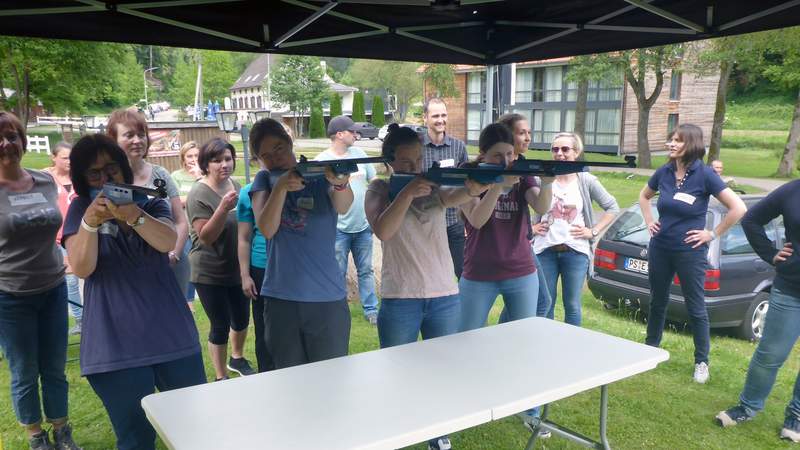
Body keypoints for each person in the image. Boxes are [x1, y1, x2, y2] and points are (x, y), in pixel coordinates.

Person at [64, 133, 204, 450]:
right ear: (82, 179)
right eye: (94, 173)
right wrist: (89, 223)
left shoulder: (150, 202)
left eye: (111, 169)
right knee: (135, 439)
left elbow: (168, 242)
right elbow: (82, 266)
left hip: (173, 338)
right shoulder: (80, 210)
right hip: (115, 348)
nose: (104, 178)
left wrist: (133, 215)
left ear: (123, 170)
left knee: (195, 429)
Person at [365, 123, 489, 450]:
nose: (415, 167)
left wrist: (476, 187)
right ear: (390, 162)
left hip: (444, 294)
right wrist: (406, 192)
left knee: (441, 372)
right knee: (396, 371)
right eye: (406, 162)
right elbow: (384, 230)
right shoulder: (379, 189)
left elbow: (456, 196)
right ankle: (398, 429)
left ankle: (437, 431)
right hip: (400, 295)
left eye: (418, 160)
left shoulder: (434, 186)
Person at [640, 123, 746, 384]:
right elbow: (644, 196)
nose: (671, 144)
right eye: (671, 140)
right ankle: (650, 349)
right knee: (658, 301)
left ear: (692, 144)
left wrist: (711, 233)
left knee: (696, 306)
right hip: (661, 247)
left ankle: (701, 362)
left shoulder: (705, 174)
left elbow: (738, 207)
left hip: (690, 251)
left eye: (677, 140)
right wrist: (648, 220)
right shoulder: (664, 172)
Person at [0, 111, 82, 450]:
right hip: (10, 296)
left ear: (22, 139)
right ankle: (37, 437)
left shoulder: (46, 181)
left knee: (54, 367)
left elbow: (57, 228)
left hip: (52, 288)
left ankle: (62, 431)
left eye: (12, 135)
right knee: (24, 370)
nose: (6, 143)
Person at [250, 118, 353, 369]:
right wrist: (282, 187)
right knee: (288, 381)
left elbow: (344, 205)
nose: (275, 158)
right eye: (266, 155)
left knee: (331, 379)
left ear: (289, 143)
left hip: (326, 295)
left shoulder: (319, 174)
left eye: (278, 149)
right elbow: (266, 227)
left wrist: (340, 182)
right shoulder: (264, 181)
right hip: (281, 297)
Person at [715, 179, 800, 442]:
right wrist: (770, 253)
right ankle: (748, 407)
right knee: (770, 354)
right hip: (790, 289)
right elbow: (752, 220)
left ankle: (796, 416)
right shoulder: (793, 190)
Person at [458, 123, 551, 331]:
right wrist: (499, 185)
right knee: (466, 338)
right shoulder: (469, 173)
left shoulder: (520, 171)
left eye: (509, 154)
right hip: (479, 271)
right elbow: (477, 219)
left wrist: (547, 183)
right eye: (497, 155)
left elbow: (541, 205)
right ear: (482, 155)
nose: (506, 161)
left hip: (521, 269)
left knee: (522, 337)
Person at [106, 109, 192, 316]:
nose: (137, 140)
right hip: (127, 268)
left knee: (172, 320)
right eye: (129, 135)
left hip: (170, 263)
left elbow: (180, 221)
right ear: (113, 140)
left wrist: (175, 254)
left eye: (141, 134)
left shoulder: (160, 175)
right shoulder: (106, 180)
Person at [532, 132, 619, 327]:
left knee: (572, 305)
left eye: (565, 149)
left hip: (575, 252)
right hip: (545, 250)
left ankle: (571, 347)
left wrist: (593, 231)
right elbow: (523, 203)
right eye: (555, 150)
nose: (560, 154)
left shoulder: (586, 180)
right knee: (546, 302)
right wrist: (532, 227)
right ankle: (544, 343)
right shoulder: (542, 179)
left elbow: (612, 207)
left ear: (576, 152)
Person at [186, 137, 254, 380]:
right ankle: (220, 375)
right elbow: (205, 237)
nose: (224, 164)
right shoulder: (198, 193)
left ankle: (237, 357)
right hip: (209, 271)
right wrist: (223, 208)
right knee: (220, 324)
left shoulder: (235, 184)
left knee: (242, 317)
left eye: (228, 159)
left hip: (236, 267)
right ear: (206, 164)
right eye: (217, 161)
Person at [315, 115, 380, 325]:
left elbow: (375, 180)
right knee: (338, 272)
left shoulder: (359, 154)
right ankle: (337, 309)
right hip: (338, 228)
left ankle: (371, 310)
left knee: (366, 270)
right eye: (352, 131)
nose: (356, 134)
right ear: (339, 134)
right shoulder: (321, 161)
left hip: (363, 226)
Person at [498, 113, 552, 318]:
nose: (528, 138)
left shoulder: (524, 166)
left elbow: (540, 205)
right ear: (507, 135)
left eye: (529, 132)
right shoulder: (489, 165)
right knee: (540, 302)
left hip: (520, 245)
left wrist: (547, 182)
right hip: (493, 247)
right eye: (522, 133)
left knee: (541, 302)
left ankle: (503, 338)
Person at [421, 97, 468, 279]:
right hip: (425, 222)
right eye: (435, 116)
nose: (440, 120)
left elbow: (467, 185)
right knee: (428, 274)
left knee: (462, 273)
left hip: (453, 222)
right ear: (425, 118)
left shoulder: (458, 147)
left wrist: (467, 221)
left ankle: (462, 307)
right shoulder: (417, 147)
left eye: (443, 115)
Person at [237, 153, 273, 373]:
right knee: (264, 328)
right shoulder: (247, 192)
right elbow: (243, 238)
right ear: (258, 157)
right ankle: (267, 374)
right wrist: (245, 274)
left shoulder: (299, 185)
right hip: (261, 267)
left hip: (292, 268)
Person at [43, 141, 83, 334]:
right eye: (65, 157)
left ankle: (89, 318)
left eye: (71, 158)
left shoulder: (80, 178)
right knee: (70, 281)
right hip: (55, 238)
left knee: (84, 276)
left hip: (77, 236)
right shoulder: (44, 178)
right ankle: (80, 319)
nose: (69, 161)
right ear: (54, 157)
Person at [170, 141, 202, 312]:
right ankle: (188, 300)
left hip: (202, 227)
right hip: (185, 228)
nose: (193, 159)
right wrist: (196, 194)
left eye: (196, 156)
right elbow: (176, 201)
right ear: (183, 158)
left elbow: (210, 196)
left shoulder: (204, 175)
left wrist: (199, 177)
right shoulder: (176, 176)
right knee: (187, 263)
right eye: (189, 156)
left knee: (201, 264)